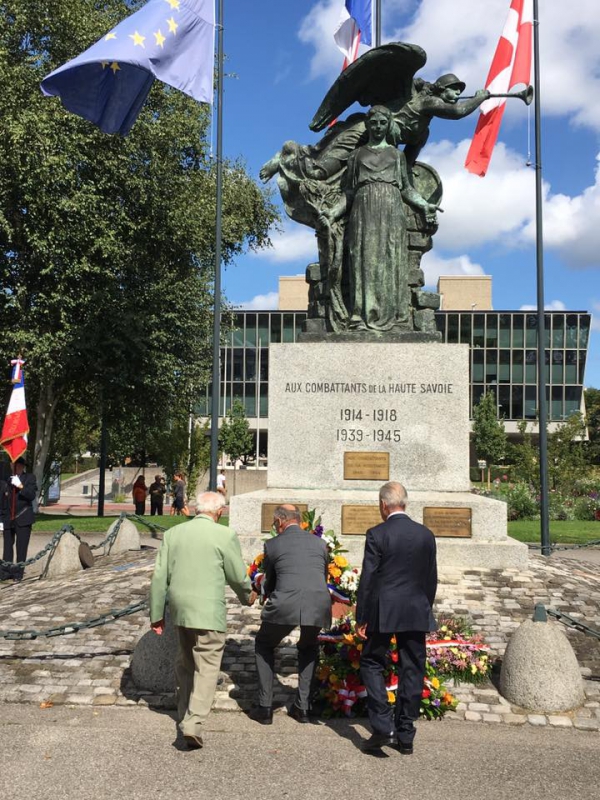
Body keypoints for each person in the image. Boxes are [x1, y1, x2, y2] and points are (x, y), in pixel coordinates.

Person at [149, 491, 256, 749]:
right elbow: (236, 575)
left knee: (185, 662)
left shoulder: (174, 534)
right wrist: (248, 596)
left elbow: (159, 576)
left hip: (180, 610)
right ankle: (193, 723)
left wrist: (156, 614)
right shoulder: (224, 535)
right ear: (219, 512)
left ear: (197, 509)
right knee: (207, 666)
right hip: (208, 612)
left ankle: (185, 711)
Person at [319, 105, 438, 331]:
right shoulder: (356, 156)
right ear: (368, 124)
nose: (378, 126)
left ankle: (395, 317)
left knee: (391, 259)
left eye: (383, 122)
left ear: (388, 124)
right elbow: (349, 193)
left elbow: (406, 189)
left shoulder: (397, 155)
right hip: (363, 211)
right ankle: (361, 316)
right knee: (362, 259)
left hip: (392, 209)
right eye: (374, 122)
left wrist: (424, 205)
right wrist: (333, 212)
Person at [355, 481, 437, 754]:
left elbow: (368, 580)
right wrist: (424, 606)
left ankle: (382, 724)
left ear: (382, 505)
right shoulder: (426, 534)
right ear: (405, 503)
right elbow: (431, 579)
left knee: (371, 662)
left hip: (383, 610)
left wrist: (361, 617)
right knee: (412, 667)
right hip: (415, 608)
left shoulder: (377, 534)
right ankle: (405, 733)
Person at [250, 504, 331, 725]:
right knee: (308, 646)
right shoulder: (320, 544)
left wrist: (258, 587)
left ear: (280, 521)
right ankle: (302, 707)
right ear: (300, 520)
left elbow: (272, 582)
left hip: (286, 603)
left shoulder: (273, 544)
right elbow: (322, 577)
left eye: (274, 523)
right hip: (318, 603)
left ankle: (265, 707)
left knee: (264, 644)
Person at [0, 457, 38, 582]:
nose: (16, 467)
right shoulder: (6, 480)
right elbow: (2, 501)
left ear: (22, 466)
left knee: (21, 547)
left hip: (23, 517)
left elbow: (31, 495)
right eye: (14, 465)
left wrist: (20, 486)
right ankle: (6, 571)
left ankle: (18, 573)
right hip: (7, 518)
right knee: (7, 547)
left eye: (19, 465)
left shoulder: (29, 478)